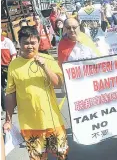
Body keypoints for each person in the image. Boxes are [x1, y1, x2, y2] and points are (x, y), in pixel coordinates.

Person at [3, 26, 68, 160]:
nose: (29, 46)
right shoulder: (13, 65)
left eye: (33, 43)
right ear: (18, 44)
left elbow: (59, 83)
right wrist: (8, 120)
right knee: (37, 157)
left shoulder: (48, 59)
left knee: (61, 155)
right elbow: (10, 94)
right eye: (25, 43)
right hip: (29, 124)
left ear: (38, 42)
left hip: (52, 120)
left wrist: (44, 67)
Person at [1, 35, 17, 119]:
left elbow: (13, 55)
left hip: (7, 67)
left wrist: (12, 67)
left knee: (12, 86)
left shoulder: (7, 41)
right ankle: (5, 109)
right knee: (1, 88)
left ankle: (15, 105)